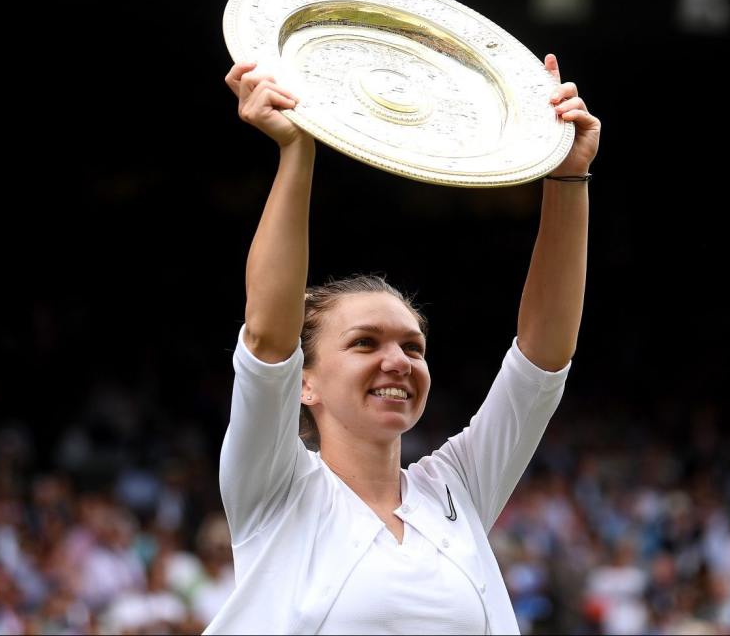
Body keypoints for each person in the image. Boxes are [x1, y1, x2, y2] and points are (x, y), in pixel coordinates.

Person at [204, 53, 601, 635]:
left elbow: (542, 360)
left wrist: (567, 175)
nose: (398, 362)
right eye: (365, 343)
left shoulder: (456, 488)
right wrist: (297, 151)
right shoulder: (275, 489)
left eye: (414, 348)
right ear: (304, 382)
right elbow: (267, 334)